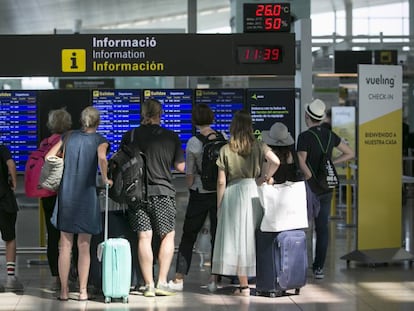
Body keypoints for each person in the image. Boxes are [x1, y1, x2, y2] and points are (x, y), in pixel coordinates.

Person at [121, 98, 185, 297]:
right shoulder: (171, 136)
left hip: (137, 193)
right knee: (168, 235)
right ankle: (162, 282)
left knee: (144, 237)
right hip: (163, 191)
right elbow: (180, 167)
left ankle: (147, 285)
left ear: (143, 113)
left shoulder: (130, 135)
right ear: (160, 113)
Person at [211, 110, 280, 296]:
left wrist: (220, 205)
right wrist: (265, 177)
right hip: (252, 191)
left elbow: (221, 182)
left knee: (237, 240)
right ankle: (258, 278)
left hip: (233, 193)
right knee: (251, 236)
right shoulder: (259, 145)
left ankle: (243, 286)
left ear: (233, 127)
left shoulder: (226, 149)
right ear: (250, 127)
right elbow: (276, 161)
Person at [46, 106, 112, 301]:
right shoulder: (100, 140)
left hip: (66, 195)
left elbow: (49, 156)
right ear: (97, 122)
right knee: (84, 246)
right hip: (86, 195)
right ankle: (82, 291)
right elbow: (102, 159)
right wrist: (106, 178)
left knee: (64, 246)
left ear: (82, 121)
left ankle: (64, 290)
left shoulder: (68, 137)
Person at [296, 99, 354, 280]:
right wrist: (332, 163)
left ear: (307, 116)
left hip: (309, 188)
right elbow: (350, 153)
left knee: (303, 227)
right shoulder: (330, 135)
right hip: (326, 188)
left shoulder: (305, 137)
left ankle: (300, 266)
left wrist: (310, 178)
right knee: (322, 228)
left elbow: (301, 161)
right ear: (320, 118)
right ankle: (318, 268)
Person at [169, 103, 220, 292]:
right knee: (218, 236)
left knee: (189, 235)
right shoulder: (222, 138)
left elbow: (189, 173)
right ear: (212, 118)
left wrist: (191, 186)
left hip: (199, 193)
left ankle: (179, 278)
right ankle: (214, 278)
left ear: (194, 121)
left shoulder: (193, 142)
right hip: (218, 195)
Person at [40, 108, 72, 290]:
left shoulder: (45, 142)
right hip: (65, 194)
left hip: (47, 194)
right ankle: (69, 274)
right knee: (69, 235)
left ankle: (55, 276)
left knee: (52, 236)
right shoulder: (67, 141)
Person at [0, 144, 23, 292]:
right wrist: (14, 183)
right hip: (4, 199)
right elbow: (11, 164)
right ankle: (10, 278)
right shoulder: (2, 149)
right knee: (10, 238)